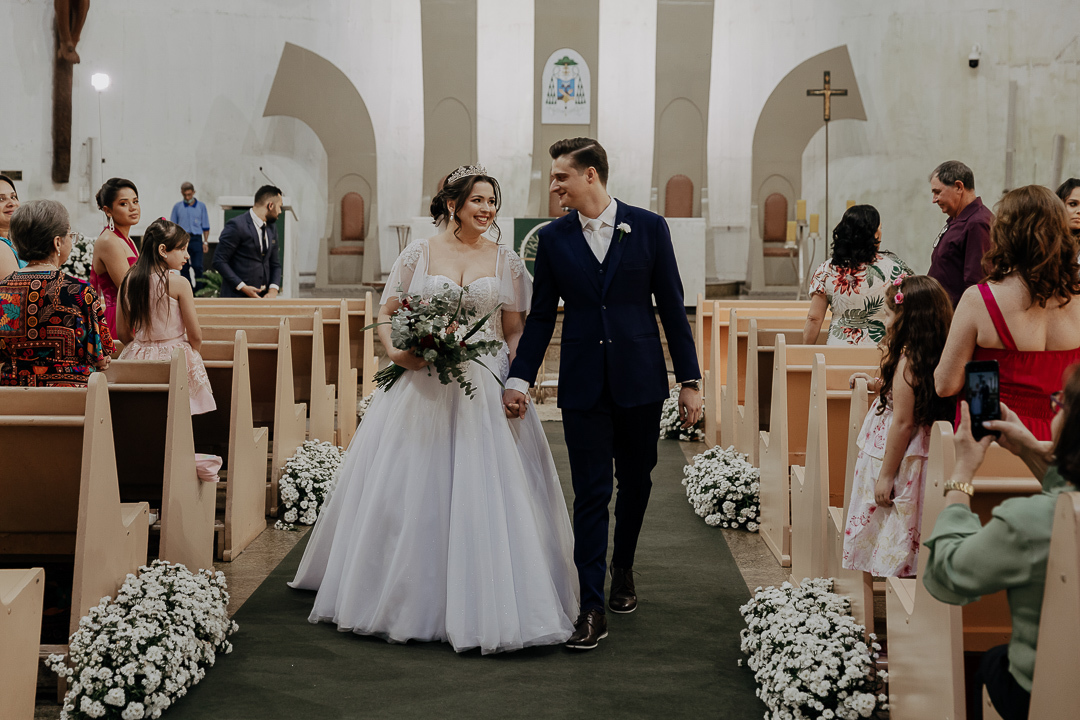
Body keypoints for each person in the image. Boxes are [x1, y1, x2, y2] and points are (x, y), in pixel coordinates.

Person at [289, 166, 578, 655]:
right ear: (453, 205)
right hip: (421, 379)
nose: (487, 210)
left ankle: (491, 595)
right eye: (478, 202)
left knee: (486, 486)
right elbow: (387, 311)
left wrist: (515, 376)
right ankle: (402, 593)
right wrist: (398, 352)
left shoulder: (506, 259)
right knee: (412, 484)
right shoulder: (418, 252)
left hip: (484, 380)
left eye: (492, 202)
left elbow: (515, 327)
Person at [501, 138, 702, 650]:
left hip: (640, 379)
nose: (553, 185)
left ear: (590, 175)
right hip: (584, 383)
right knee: (590, 493)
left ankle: (624, 567)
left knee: (636, 483)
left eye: (560, 176)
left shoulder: (649, 227)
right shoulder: (554, 239)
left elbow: (672, 309)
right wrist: (521, 376)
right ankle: (591, 605)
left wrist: (690, 380)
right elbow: (542, 315)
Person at [922, 367, 1080, 720]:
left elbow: (948, 574)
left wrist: (962, 474)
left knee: (992, 664)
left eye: (1061, 405)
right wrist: (1030, 449)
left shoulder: (1030, 522)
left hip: (1048, 688)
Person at [935, 185, 1080, 441]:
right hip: (1063, 443)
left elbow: (946, 385)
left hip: (995, 439)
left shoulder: (979, 300)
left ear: (1004, 234)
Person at [843, 275, 955, 577]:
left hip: (899, 455)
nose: (885, 319)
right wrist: (876, 384)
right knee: (912, 523)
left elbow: (904, 422)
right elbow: (908, 393)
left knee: (894, 522)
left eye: (889, 313)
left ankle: (899, 593)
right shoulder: (937, 355)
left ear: (908, 318)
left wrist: (886, 475)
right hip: (926, 450)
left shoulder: (908, 362)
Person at [0, 200, 112, 386]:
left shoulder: (3, 290)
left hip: (11, 399)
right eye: (70, 235)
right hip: (71, 401)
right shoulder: (80, 291)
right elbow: (100, 356)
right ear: (57, 242)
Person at [116, 218, 215, 415]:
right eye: (182, 249)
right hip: (175, 356)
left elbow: (123, 333)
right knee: (177, 414)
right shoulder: (179, 283)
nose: (187, 255)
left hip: (138, 355)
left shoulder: (127, 281)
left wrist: (141, 346)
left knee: (146, 412)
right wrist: (193, 355)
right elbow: (195, 335)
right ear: (163, 250)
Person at [803, 204, 912, 346]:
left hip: (839, 348)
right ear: (874, 234)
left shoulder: (827, 269)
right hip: (882, 349)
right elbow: (911, 309)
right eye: (879, 227)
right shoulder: (896, 267)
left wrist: (805, 351)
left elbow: (814, 318)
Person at [927, 160, 994, 308]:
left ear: (959, 187)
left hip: (958, 317)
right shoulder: (958, 219)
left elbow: (977, 284)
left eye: (938, 192)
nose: (934, 200)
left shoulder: (977, 223)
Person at [90, 177, 141, 340]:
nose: (133, 208)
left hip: (134, 313)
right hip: (119, 319)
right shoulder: (109, 241)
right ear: (108, 210)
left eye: (135, 201)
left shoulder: (127, 239)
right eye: (124, 204)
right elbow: (129, 288)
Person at [213, 185, 283, 298]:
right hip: (237, 297)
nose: (280, 211)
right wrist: (243, 287)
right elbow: (219, 260)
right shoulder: (237, 225)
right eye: (279, 206)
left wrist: (273, 290)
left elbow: (275, 264)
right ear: (270, 205)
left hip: (263, 299)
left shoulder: (272, 228)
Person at [169, 182, 211, 288]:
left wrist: (205, 242)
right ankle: (188, 289)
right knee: (183, 267)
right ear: (182, 193)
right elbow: (173, 226)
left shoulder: (201, 206)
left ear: (193, 192)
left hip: (196, 239)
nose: (187, 197)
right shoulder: (177, 207)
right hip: (182, 239)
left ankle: (199, 289)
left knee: (198, 266)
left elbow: (206, 226)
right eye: (185, 195)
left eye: (189, 195)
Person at [0, 174, 26, 277]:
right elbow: (16, 291)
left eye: (13, 197)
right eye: (1, 199)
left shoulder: (21, 242)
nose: (11, 203)